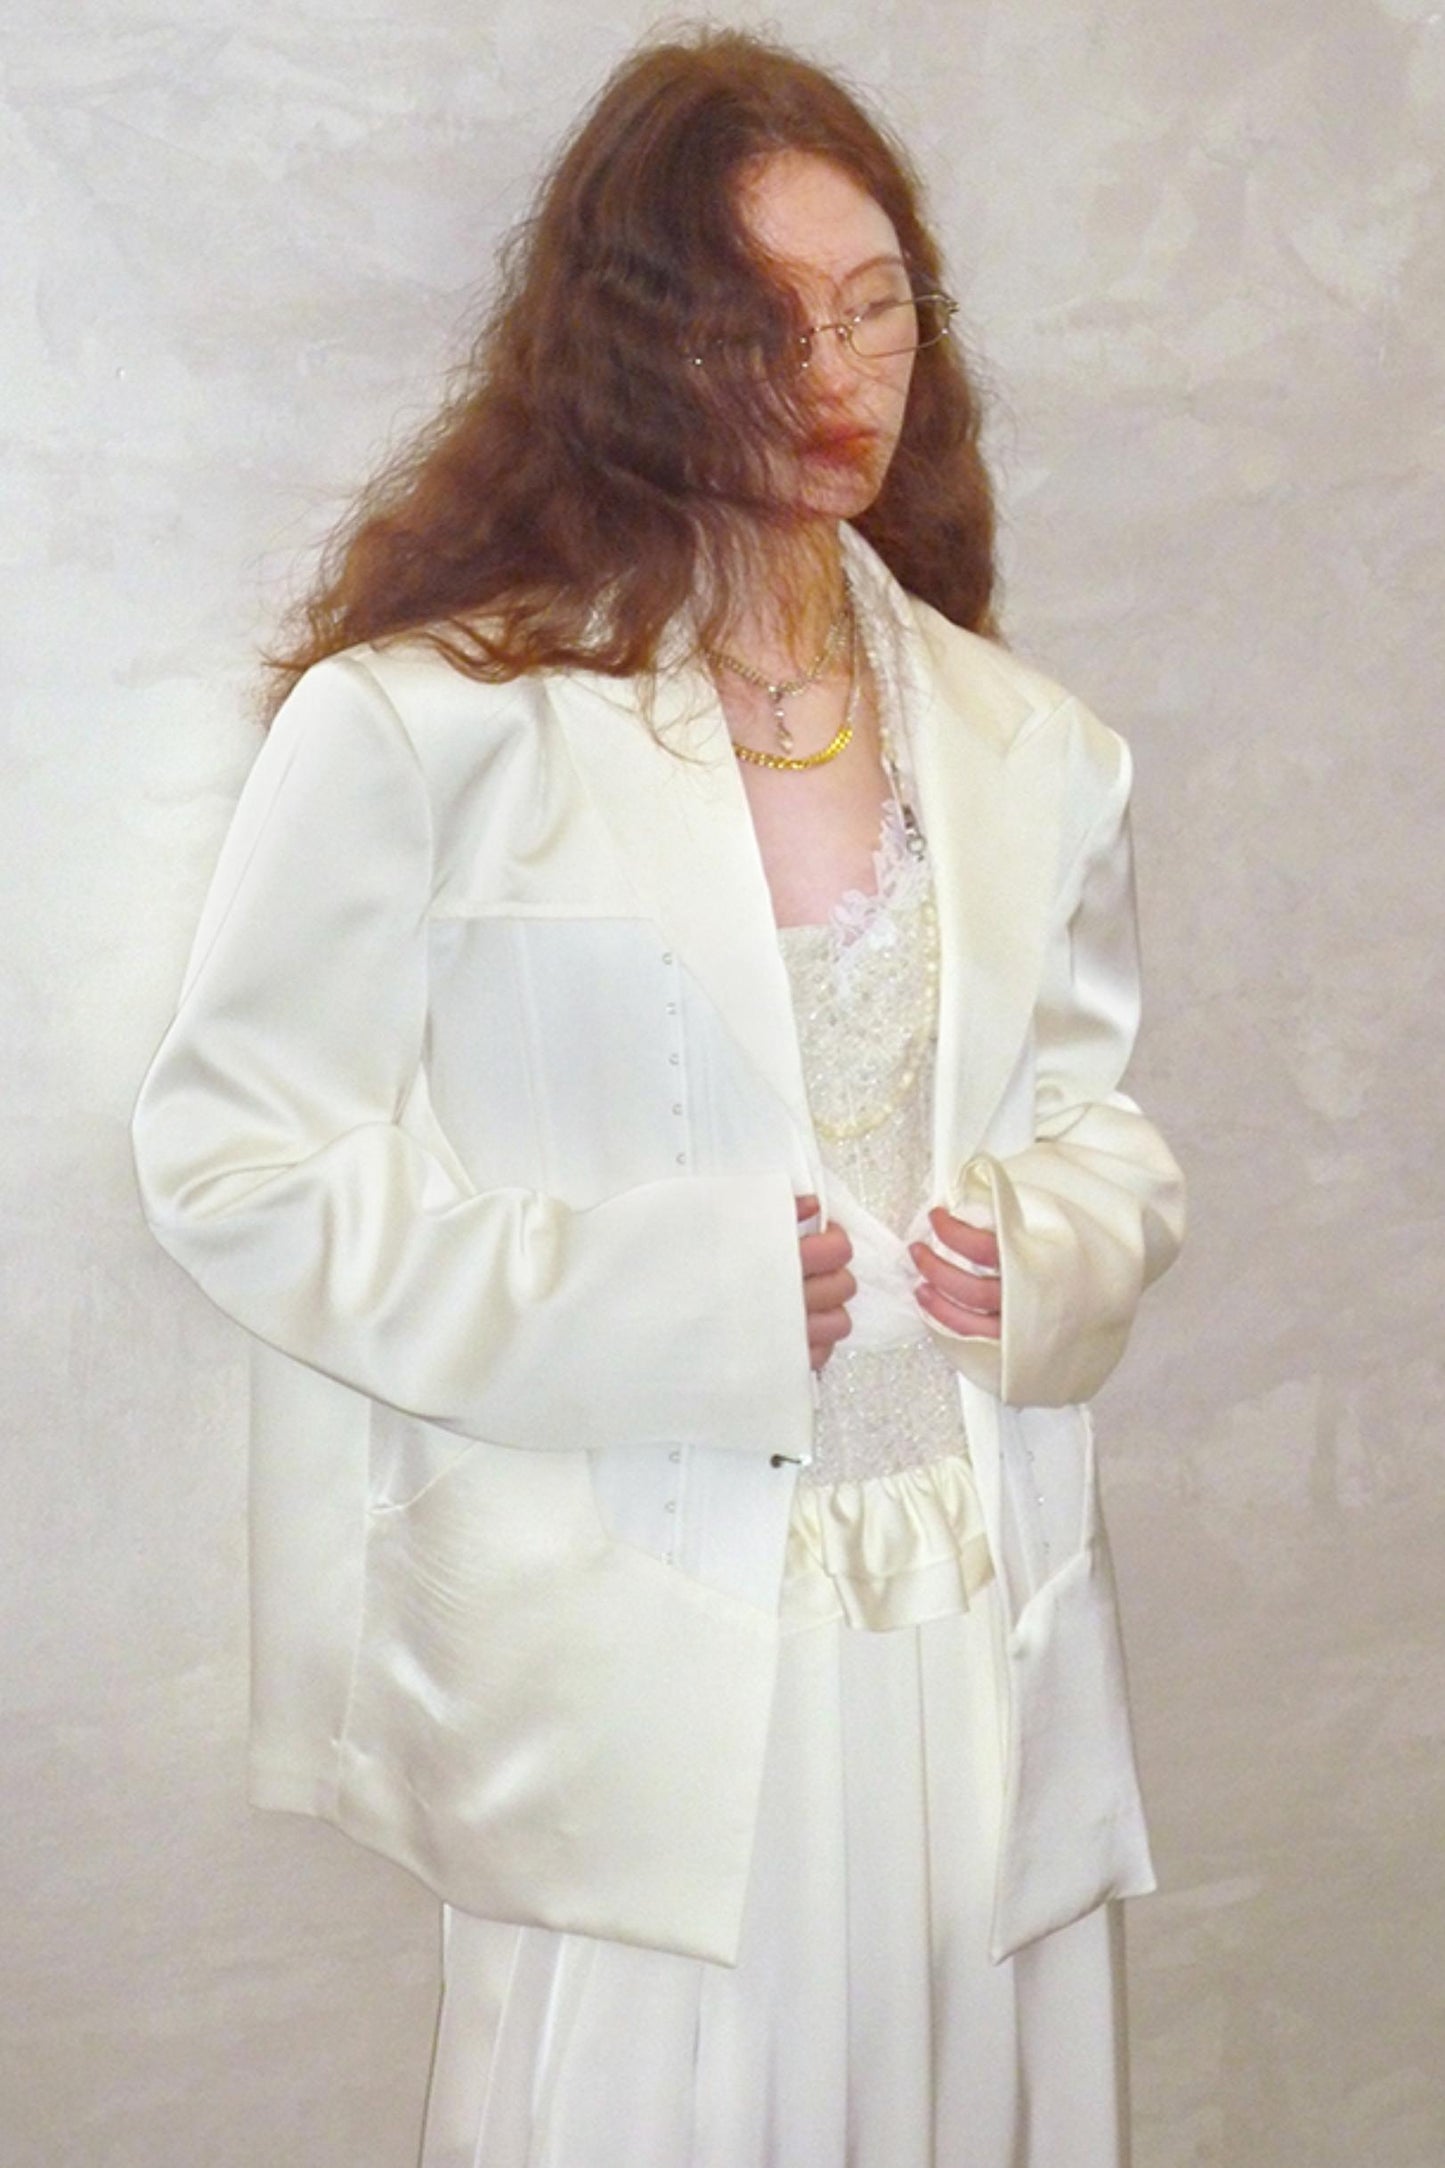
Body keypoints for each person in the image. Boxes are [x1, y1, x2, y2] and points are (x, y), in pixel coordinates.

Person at [132, 27, 1185, 2168]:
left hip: (965, 1612)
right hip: (643, 1642)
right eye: (764, 318)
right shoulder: (435, 728)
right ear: (635, 341)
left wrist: (1051, 1252)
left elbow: (1100, 1122)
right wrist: (653, 1299)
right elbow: (236, 1157)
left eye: (875, 305)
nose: (837, 369)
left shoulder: (1030, 744)